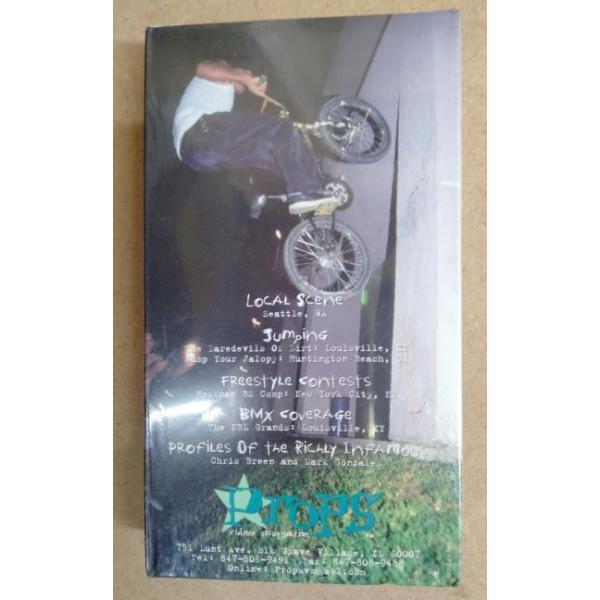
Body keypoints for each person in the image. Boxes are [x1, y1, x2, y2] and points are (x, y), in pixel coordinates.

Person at [173, 60, 340, 214]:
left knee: (273, 155)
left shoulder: (223, 91)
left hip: (197, 157)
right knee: (281, 128)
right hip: (199, 131)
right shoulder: (218, 70)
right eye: (246, 71)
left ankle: (316, 187)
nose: (249, 74)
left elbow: (238, 86)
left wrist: (250, 85)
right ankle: (304, 191)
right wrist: (245, 78)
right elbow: (202, 68)